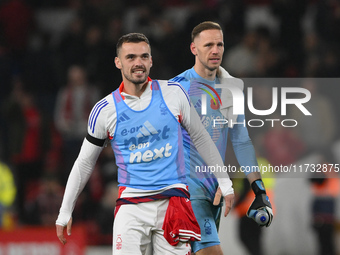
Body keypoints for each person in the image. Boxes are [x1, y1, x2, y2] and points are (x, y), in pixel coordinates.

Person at [56, 33, 234, 254]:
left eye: (143, 56)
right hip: (131, 207)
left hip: (173, 203)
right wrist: (65, 211)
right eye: (130, 57)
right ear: (118, 62)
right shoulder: (105, 109)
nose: (138, 63)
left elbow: (201, 139)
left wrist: (225, 183)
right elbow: (84, 163)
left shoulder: (173, 93)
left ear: (151, 61)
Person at [171, 21, 273, 255]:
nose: (215, 50)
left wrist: (258, 189)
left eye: (219, 44)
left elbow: (241, 141)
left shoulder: (231, 89)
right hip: (186, 188)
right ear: (193, 49)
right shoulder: (177, 88)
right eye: (208, 45)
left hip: (214, 189)